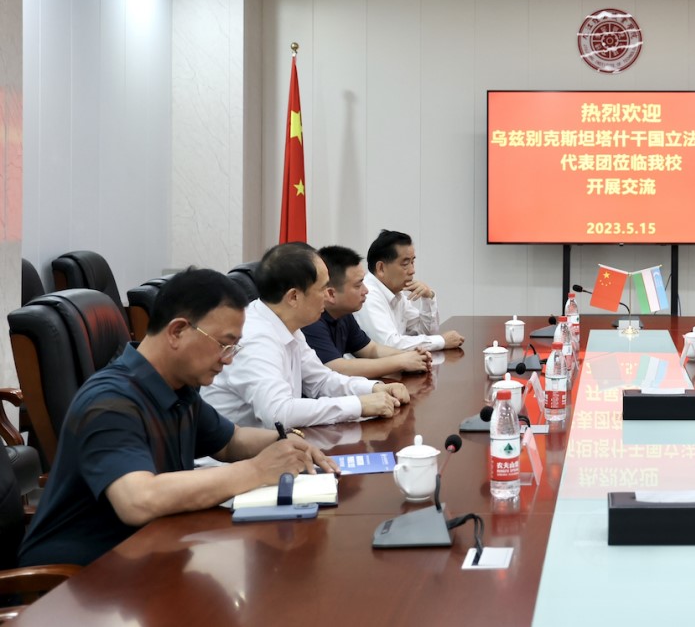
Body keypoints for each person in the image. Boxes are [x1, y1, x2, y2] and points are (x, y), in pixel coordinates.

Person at [19, 269, 337, 567]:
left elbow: (232, 441)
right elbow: (138, 500)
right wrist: (257, 470)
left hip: (148, 553)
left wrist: (288, 443)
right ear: (177, 331)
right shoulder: (109, 402)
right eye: (224, 344)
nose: (227, 359)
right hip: (76, 580)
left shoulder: (178, 387)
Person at [202, 242, 409, 429]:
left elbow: (321, 381)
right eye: (323, 288)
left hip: (277, 446)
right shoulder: (255, 337)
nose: (328, 295)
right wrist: (358, 405)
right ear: (293, 297)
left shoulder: (286, 323)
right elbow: (278, 414)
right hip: (238, 457)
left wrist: (375, 388)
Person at [302, 245, 433, 379]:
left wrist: (411, 356)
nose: (366, 290)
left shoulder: (343, 314)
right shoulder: (311, 321)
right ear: (331, 294)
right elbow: (338, 368)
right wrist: (401, 362)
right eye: (358, 285)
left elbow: (371, 350)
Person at [355, 229, 465, 352]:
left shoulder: (397, 293)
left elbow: (426, 332)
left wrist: (428, 297)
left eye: (413, 262)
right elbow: (389, 345)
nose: (412, 270)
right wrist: (442, 341)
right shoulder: (368, 295)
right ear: (381, 268)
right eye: (405, 264)